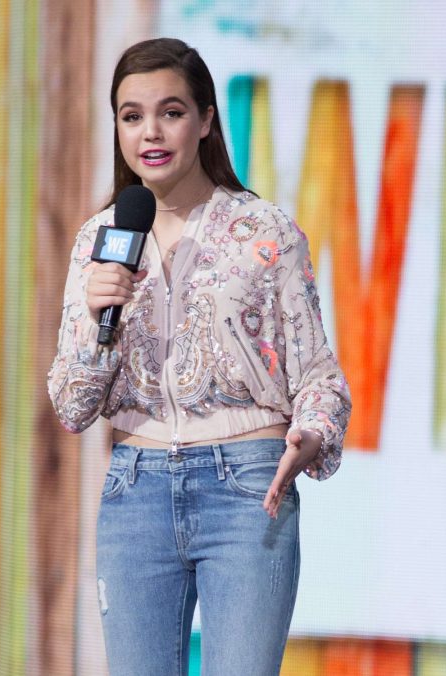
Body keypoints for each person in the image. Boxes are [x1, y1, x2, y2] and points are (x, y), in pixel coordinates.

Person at [48, 37, 351, 676]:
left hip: (246, 488)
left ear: (206, 119)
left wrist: (310, 434)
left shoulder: (264, 232)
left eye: (171, 112)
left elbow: (319, 375)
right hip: (135, 488)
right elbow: (73, 407)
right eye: (132, 116)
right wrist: (100, 320)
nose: (150, 133)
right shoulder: (98, 240)